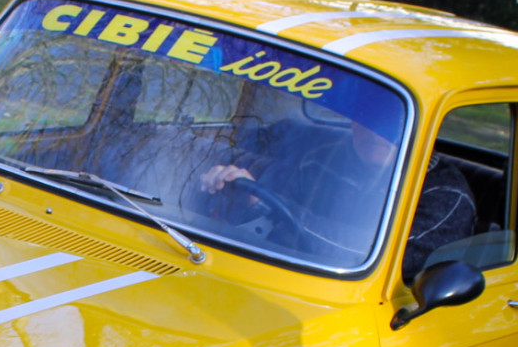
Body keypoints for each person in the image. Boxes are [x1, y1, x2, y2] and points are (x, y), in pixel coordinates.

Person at [199, 117, 476, 280]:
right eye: (369, 116)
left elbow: (364, 255)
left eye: (394, 120)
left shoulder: (446, 196)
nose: (377, 130)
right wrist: (234, 186)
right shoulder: (325, 160)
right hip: (284, 277)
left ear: (425, 127)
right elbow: (275, 204)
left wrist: (264, 204)